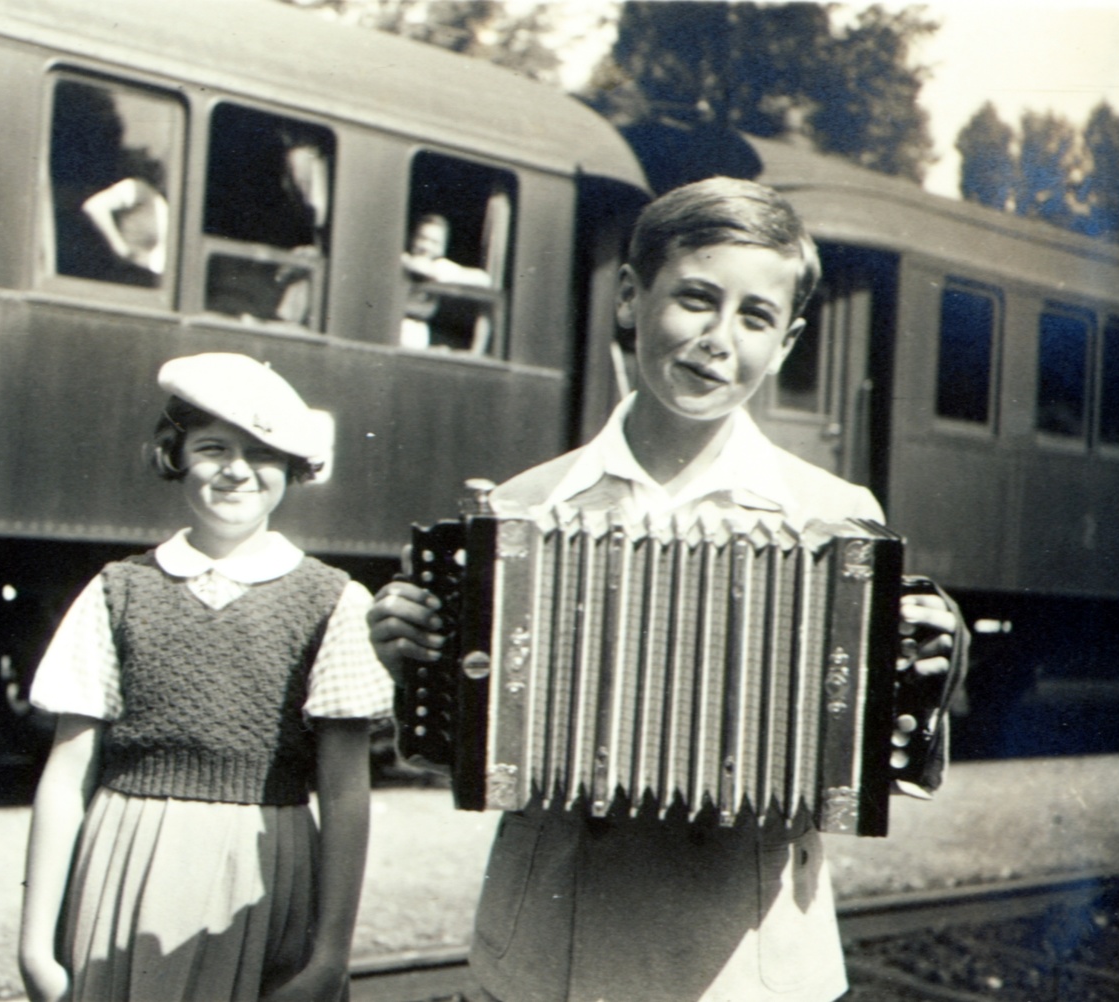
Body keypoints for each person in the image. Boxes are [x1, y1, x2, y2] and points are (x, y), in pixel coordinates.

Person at [367, 178, 967, 1002]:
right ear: (628, 297)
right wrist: (420, 663)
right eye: (694, 298)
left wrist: (924, 672)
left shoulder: (838, 520)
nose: (719, 340)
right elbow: (458, 751)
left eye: (755, 317)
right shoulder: (521, 511)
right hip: (556, 948)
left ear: (787, 343)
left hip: (748, 959)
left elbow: (873, 754)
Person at [19, 352, 394, 1002]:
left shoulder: (332, 602)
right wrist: (35, 945)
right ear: (175, 454)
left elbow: (344, 793)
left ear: (293, 468)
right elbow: (66, 774)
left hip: (263, 878)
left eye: (263, 452)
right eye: (213, 448)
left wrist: (331, 954)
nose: (237, 470)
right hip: (124, 870)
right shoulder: (118, 592)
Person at [400, 214, 492, 350]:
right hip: (394, 325)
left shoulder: (440, 267)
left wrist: (442, 273)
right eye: (422, 238)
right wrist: (427, 270)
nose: (426, 246)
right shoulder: (402, 259)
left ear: (441, 248)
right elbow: (415, 266)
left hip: (419, 331)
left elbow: (484, 279)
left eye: (434, 242)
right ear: (412, 238)